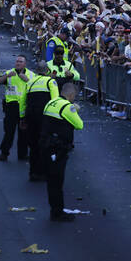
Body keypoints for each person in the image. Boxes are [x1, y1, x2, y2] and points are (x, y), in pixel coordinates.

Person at [40, 79, 84, 222]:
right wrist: (75, 110)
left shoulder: (50, 103)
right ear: (71, 95)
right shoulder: (67, 106)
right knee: (57, 181)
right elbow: (79, 125)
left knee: (51, 180)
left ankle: (54, 209)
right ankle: (57, 212)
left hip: (46, 145)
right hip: (58, 148)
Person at [0, 54, 32, 162]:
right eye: (17, 61)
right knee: (9, 132)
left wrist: (27, 80)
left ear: (25, 64)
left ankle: (23, 154)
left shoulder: (31, 74)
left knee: (24, 133)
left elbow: (35, 86)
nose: (18, 63)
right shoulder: (9, 73)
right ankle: (4, 153)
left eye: (21, 61)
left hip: (25, 107)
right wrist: (6, 77)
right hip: (12, 106)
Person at [25, 70, 59, 182]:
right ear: (46, 71)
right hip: (45, 118)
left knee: (33, 145)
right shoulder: (50, 81)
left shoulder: (30, 82)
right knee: (45, 145)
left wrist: (22, 117)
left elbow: (22, 101)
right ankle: (43, 172)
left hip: (31, 117)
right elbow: (55, 100)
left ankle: (33, 172)